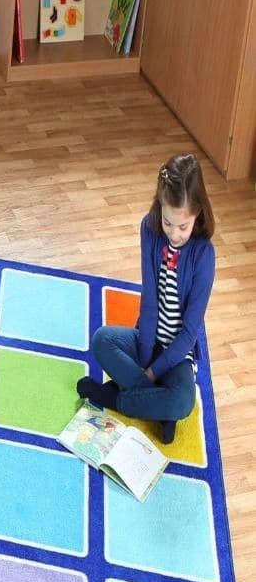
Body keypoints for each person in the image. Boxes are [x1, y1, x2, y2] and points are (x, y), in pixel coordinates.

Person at [77, 153, 216, 444]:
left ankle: (116, 399)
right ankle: (157, 409)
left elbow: (190, 332)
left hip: (178, 355)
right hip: (147, 339)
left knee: (183, 402)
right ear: (159, 205)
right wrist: (143, 356)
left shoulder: (204, 255)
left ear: (199, 214)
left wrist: (152, 372)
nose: (174, 234)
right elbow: (149, 299)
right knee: (102, 340)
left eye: (183, 226)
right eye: (168, 222)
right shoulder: (149, 230)